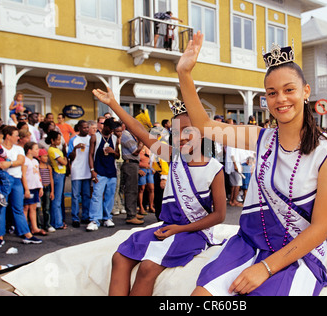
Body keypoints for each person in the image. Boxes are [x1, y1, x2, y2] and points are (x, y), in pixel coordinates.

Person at [177, 33, 327, 296]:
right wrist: (185, 75)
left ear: (306, 92)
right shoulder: (261, 138)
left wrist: (265, 268)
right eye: (272, 93)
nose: (281, 99)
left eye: (289, 89)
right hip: (248, 243)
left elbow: (322, 227)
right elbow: (205, 127)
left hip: (297, 253)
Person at [92, 89, 226, 296]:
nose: (181, 138)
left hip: (194, 232)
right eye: (176, 132)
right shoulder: (173, 157)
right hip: (168, 227)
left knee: (147, 267)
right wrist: (114, 105)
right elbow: (138, 130)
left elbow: (220, 215)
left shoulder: (214, 168)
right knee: (119, 257)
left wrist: (179, 230)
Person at [0, 126, 42, 248]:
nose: (18, 137)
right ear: (8, 136)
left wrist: (7, 164)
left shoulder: (19, 148)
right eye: (16, 135)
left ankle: (27, 234)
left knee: (18, 207)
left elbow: (20, 161)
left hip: (16, 180)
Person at [87, 118, 119, 231]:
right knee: (97, 195)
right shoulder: (95, 137)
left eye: (113, 129)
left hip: (111, 171)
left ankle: (107, 218)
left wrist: (113, 151)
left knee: (110, 196)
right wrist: (92, 170)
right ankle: (94, 220)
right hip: (99, 170)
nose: (111, 131)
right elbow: (90, 154)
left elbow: (118, 156)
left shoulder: (115, 138)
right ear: (104, 126)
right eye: (110, 128)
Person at [67, 120, 91, 228]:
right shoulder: (73, 139)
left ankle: (85, 216)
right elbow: (70, 157)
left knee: (86, 195)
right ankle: (75, 218)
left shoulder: (91, 139)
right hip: (77, 170)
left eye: (87, 127)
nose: (86, 129)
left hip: (87, 171)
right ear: (79, 128)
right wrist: (75, 149)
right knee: (75, 196)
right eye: (84, 127)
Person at [121, 127, 144, 225]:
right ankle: (131, 215)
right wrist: (141, 142)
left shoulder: (129, 135)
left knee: (134, 189)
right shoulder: (126, 135)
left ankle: (133, 212)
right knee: (131, 190)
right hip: (130, 163)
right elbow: (135, 151)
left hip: (132, 164)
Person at [22, 142, 46, 236]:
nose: (38, 151)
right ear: (29, 150)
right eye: (35, 149)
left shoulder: (35, 161)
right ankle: (25, 228)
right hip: (29, 187)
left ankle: (34, 227)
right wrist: (26, 189)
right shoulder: (25, 161)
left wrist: (40, 187)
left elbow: (38, 174)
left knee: (33, 208)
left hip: (35, 187)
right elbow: (23, 175)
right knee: (25, 208)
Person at [47, 131, 67, 230]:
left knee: (58, 199)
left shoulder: (56, 149)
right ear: (52, 140)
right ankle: (57, 222)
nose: (59, 141)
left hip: (61, 174)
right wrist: (65, 160)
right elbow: (63, 161)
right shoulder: (51, 150)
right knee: (56, 200)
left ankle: (58, 220)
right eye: (58, 139)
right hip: (57, 174)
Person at [38, 148, 55, 233]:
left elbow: (51, 179)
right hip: (40, 188)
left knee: (46, 207)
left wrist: (52, 191)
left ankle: (47, 224)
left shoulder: (48, 167)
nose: (46, 158)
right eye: (44, 156)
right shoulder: (37, 167)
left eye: (47, 156)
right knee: (38, 207)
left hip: (47, 188)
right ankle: (38, 225)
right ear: (39, 157)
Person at [137, 145, 155, 215]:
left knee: (151, 188)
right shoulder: (138, 147)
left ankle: (151, 206)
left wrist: (153, 167)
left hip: (149, 169)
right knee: (141, 188)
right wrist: (138, 169)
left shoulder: (148, 147)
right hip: (142, 169)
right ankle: (141, 207)